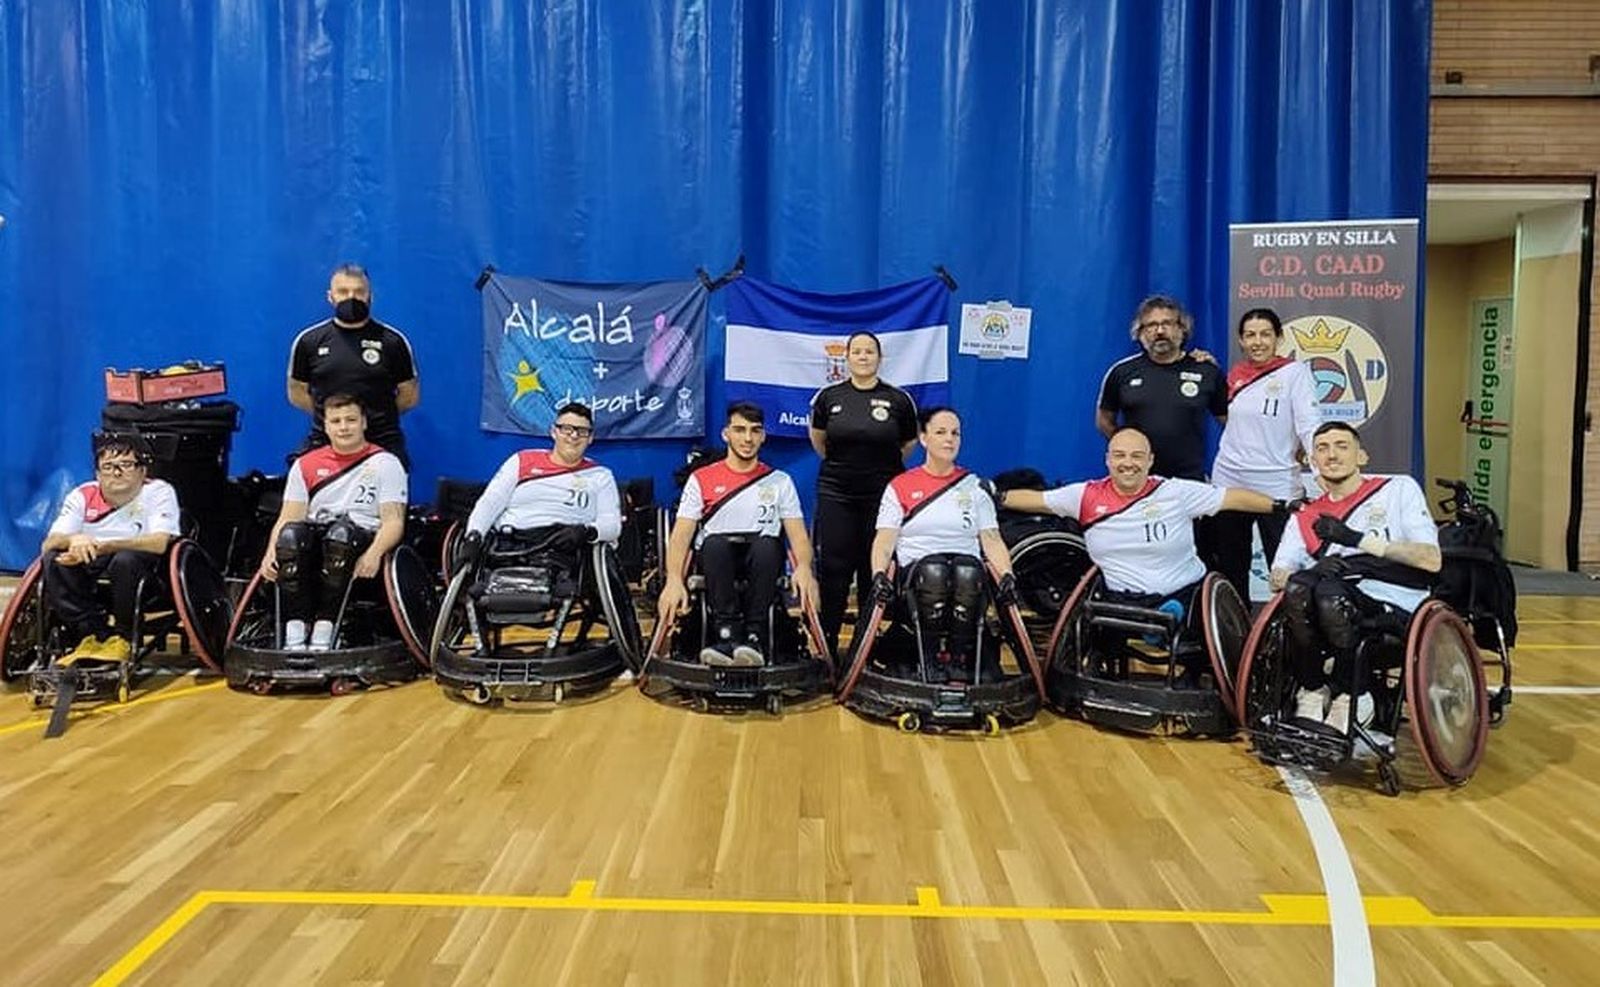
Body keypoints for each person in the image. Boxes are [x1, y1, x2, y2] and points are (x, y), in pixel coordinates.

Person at [999, 428, 1278, 665]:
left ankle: (1172, 631)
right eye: (1119, 455)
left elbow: (1232, 498)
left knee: (1188, 609)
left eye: (1136, 456)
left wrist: (1280, 506)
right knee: (1106, 607)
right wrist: (994, 495)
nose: (1127, 463)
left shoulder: (1176, 491)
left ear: (1150, 461)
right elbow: (1037, 500)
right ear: (1107, 460)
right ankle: (1153, 626)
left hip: (1186, 593)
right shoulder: (1084, 495)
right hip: (1120, 598)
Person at [1269, 422, 1442, 733]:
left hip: (1395, 602)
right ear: (1312, 461)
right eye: (1322, 449)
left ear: (1361, 456)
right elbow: (1277, 577)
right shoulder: (1307, 516)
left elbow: (1430, 559)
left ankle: (1354, 695)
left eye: (1341, 446)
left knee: (1331, 595)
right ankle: (1313, 689)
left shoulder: (1397, 489)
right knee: (1301, 589)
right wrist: (1308, 570)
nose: (1331, 455)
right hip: (1335, 598)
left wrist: (1357, 539)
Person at [658, 402, 820, 667]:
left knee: (767, 545)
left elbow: (799, 536)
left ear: (763, 436)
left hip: (762, 558)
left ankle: (754, 637)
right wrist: (674, 579)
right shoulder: (701, 478)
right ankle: (727, 634)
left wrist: (804, 568)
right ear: (726, 434)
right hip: (717, 557)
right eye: (740, 430)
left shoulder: (780, 481)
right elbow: (680, 536)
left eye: (755, 431)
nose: (747, 438)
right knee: (713, 544)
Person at [867, 407, 1017, 682]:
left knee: (967, 571)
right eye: (940, 432)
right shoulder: (900, 486)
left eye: (955, 433)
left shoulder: (974, 487)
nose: (950, 439)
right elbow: (885, 539)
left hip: (966, 572)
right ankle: (931, 657)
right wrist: (878, 573)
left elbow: (992, 540)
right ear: (923, 439)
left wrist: (1007, 575)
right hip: (916, 575)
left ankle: (960, 658)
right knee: (935, 571)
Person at [260, 394, 408, 650]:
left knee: (340, 536)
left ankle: (325, 628)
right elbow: (288, 516)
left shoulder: (386, 463)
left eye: (351, 420)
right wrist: (271, 551)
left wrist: (374, 554)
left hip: (360, 537)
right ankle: (295, 629)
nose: (344, 427)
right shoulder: (305, 464)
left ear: (363, 423)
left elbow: (393, 521)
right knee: (290, 537)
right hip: (317, 535)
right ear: (326, 426)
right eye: (336, 421)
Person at [808, 331, 918, 656]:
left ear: (879, 358)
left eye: (870, 351)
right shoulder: (828, 397)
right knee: (834, 566)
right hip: (837, 491)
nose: (863, 357)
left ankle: (866, 644)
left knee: (875, 569)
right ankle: (826, 642)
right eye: (857, 351)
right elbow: (819, 440)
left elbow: (907, 446)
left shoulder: (899, 400)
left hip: (883, 496)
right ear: (847, 358)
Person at [1210, 308, 1321, 601]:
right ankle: (1234, 632)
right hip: (1230, 481)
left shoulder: (1294, 373)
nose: (1257, 341)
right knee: (1231, 564)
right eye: (1250, 335)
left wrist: (1324, 468)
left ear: (1278, 338)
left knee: (1284, 566)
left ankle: (1286, 636)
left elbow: (1309, 425)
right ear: (1241, 340)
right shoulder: (1234, 376)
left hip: (1278, 485)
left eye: (1265, 334)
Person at [41, 433, 181, 664]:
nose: (117, 472)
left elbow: (159, 542)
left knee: (124, 560)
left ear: (142, 471)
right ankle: (93, 634)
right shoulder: (82, 495)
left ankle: (124, 637)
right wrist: (75, 539)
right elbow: (49, 542)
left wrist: (108, 546)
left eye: (126, 465)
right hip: (94, 564)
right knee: (54, 558)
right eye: (108, 466)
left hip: (145, 570)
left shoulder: (158, 492)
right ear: (97, 474)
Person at [453, 402, 622, 572]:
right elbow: (490, 502)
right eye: (566, 428)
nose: (573, 436)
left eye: (582, 431)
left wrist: (586, 532)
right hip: (511, 544)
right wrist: (474, 536)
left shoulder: (600, 475)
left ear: (590, 438)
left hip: (566, 547)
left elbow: (612, 524)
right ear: (554, 432)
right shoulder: (521, 461)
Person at [287, 263, 420, 468]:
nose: (352, 297)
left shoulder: (393, 341)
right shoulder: (309, 341)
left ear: (370, 296)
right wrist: (335, 418)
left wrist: (374, 418)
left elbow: (409, 395)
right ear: (330, 297)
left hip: (382, 442)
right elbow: (297, 392)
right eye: (343, 291)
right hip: (326, 441)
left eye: (359, 291)